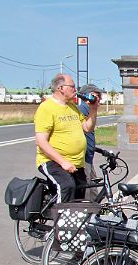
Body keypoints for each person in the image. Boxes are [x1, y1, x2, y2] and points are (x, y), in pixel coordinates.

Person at [34, 74, 99, 203]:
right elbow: (41, 141)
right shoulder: (46, 108)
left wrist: (93, 109)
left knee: (80, 193)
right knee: (66, 187)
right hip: (54, 162)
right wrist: (63, 162)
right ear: (61, 88)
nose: (76, 90)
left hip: (76, 163)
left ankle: (75, 222)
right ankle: (60, 221)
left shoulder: (72, 107)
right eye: (72, 87)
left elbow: (87, 128)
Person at [77, 83, 102, 201]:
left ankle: (95, 212)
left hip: (89, 157)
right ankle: (87, 214)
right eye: (97, 95)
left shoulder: (90, 110)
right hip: (84, 158)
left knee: (93, 188)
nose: (99, 99)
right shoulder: (82, 110)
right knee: (87, 190)